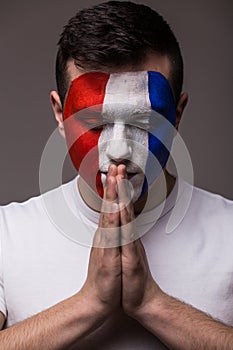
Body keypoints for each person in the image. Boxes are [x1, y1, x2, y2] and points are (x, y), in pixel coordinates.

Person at [0, 1, 233, 349]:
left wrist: (153, 304)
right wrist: (89, 303)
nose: (119, 149)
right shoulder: (6, 234)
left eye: (144, 121)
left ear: (177, 115)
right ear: (60, 115)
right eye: (95, 122)